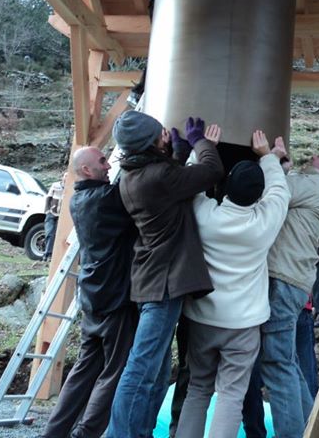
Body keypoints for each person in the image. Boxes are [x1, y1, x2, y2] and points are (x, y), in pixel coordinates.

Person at [105, 112, 224, 438]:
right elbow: (212, 171)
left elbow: (170, 178)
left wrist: (178, 153)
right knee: (141, 368)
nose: (166, 136)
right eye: (161, 134)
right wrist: (201, 142)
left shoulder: (133, 174)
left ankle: (139, 432)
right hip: (164, 284)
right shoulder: (157, 177)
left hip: (150, 279)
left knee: (155, 372)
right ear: (151, 143)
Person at [175, 130, 290, 438]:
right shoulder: (265, 222)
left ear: (224, 188)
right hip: (244, 325)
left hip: (202, 317)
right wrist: (268, 155)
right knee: (230, 395)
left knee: (198, 389)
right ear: (258, 195)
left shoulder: (205, 215)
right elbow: (280, 190)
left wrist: (201, 148)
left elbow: (190, 183)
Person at [41, 147, 138, 438]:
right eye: (102, 161)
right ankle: (86, 433)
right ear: (86, 170)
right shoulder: (106, 200)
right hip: (115, 299)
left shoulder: (79, 199)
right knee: (113, 371)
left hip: (93, 297)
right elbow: (135, 185)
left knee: (84, 371)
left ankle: (53, 433)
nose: (109, 166)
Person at [261, 150, 319, 438]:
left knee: (277, 365)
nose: (314, 156)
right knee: (287, 363)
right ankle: (309, 430)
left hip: (283, 279)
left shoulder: (318, 185)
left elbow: (275, 191)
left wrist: (269, 160)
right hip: (293, 282)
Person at [43, 172, 66, 261]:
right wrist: (47, 210)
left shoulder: (70, 188)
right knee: (50, 233)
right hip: (52, 212)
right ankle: (47, 253)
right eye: (65, 176)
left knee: (58, 235)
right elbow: (48, 197)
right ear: (62, 177)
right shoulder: (55, 185)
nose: (66, 178)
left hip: (61, 215)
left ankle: (51, 255)